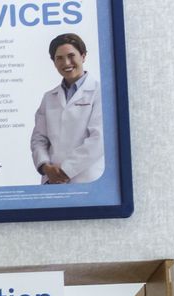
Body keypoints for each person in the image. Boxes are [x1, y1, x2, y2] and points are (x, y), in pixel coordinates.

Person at [30, 32, 104, 185]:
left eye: (71, 56)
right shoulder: (49, 97)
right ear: (54, 62)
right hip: (52, 181)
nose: (66, 62)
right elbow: (38, 139)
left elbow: (99, 139)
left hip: (86, 179)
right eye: (59, 58)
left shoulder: (100, 93)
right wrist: (46, 167)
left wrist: (65, 171)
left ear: (83, 56)